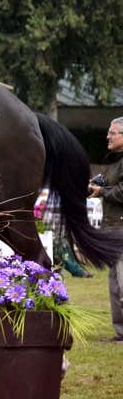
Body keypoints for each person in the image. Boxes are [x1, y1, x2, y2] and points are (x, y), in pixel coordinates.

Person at [89, 116, 123, 342]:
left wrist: (102, 192)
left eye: (113, 133)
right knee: (114, 283)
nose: (108, 136)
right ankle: (121, 333)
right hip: (112, 228)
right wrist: (97, 186)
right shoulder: (115, 161)